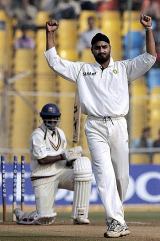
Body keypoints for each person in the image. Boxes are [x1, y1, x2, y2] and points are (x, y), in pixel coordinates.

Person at [44, 14, 156, 238]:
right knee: (103, 175)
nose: (101, 50)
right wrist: (50, 33)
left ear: (110, 47)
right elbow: (54, 62)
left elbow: (151, 57)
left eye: (104, 46)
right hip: (94, 126)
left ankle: (118, 216)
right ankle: (115, 221)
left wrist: (148, 29)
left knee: (121, 177)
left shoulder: (124, 68)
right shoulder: (82, 70)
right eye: (97, 47)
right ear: (92, 50)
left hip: (118, 125)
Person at [14, 103, 92, 225]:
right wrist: (63, 156)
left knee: (84, 168)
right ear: (43, 118)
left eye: (54, 117)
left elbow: (64, 159)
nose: (52, 120)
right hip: (43, 176)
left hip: (61, 172)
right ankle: (22, 216)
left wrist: (72, 159)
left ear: (58, 117)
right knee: (45, 219)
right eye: (48, 117)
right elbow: (42, 160)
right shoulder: (37, 135)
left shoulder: (60, 133)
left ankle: (79, 215)